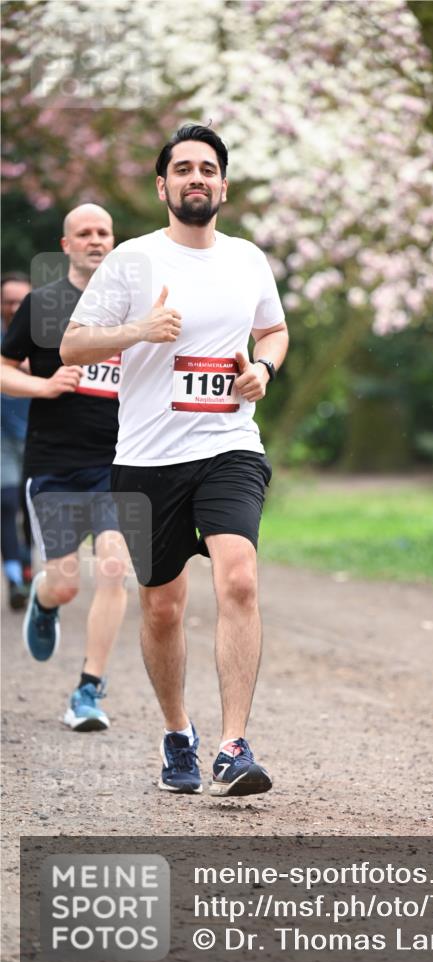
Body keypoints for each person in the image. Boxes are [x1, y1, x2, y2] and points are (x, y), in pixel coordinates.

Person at [60, 124, 288, 797]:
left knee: (239, 578)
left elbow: (273, 328)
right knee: (161, 608)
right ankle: (177, 733)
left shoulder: (247, 258)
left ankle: (233, 744)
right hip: (147, 458)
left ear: (223, 185)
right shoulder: (132, 259)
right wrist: (137, 330)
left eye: (207, 168)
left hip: (228, 445)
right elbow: (71, 345)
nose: (196, 178)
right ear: (163, 186)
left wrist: (264, 371)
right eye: (183, 168)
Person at [0, 205, 130, 732]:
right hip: (54, 464)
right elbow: (5, 369)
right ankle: (45, 602)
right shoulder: (43, 304)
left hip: (117, 461)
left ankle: (87, 690)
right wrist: (44, 386)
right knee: (65, 583)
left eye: (103, 232)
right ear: (67, 244)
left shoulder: (133, 308)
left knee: (116, 567)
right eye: (85, 233)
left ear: (114, 242)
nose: (95, 240)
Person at [1, 272, 33, 610]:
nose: (14, 307)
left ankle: (26, 566)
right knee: (7, 503)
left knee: (30, 509)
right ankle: (14, 580)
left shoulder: (46, 336)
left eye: (21, 300)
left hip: (37, 436)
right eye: (7, 300)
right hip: (1, 439)